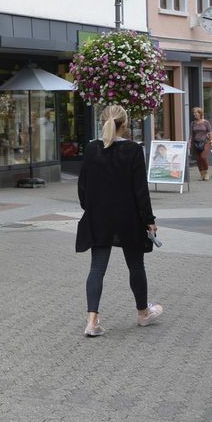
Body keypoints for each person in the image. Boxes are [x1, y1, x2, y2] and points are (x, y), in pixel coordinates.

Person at [76, 104, 163, 337]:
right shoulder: (133, 150)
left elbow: (83, 187)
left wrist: (91, 208)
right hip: (128, 219)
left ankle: (92, 322)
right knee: (136, 266)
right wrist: (149, 220)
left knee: (96, 268)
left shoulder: (92, 149)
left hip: (99, 218)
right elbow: (140, 191)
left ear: (102, 121)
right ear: (125, 124)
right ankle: (143, 314)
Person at [190, 106, 212, 181]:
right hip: (196, 143)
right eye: (193, 113)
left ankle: (206, 173)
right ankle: (201, 174)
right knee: (198, 159)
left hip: (206, 142)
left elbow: (209, 132)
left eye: (195, 113)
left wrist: (211, 141)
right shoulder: (193, 123)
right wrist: (189, 143)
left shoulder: (206, 122)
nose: (194, 114)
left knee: (203, 157)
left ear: (200, 113)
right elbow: (191, 134)